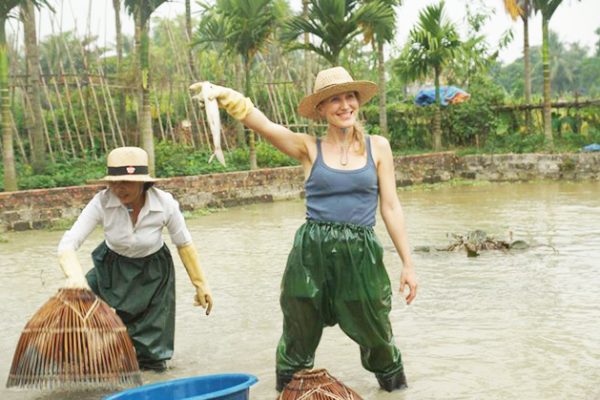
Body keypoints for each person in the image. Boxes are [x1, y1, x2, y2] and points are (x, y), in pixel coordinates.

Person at [191, 66, 417, 392]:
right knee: (298, 328)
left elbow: (391, 206)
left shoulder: (378, 147)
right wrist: (227, 97)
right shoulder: (307, 147)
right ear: (321, 109)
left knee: (377, 333)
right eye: (334, 99)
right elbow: (264, 126)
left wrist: (408, 264)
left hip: (361, 253)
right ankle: (286, 393)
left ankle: (397, 391)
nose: (344, 105)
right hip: (312, 252)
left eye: (349, 97)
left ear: (358, 102)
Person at [57, 146, 213, 372]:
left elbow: (184, 244)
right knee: (71, 308)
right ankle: (80, 364)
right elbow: (68, 243)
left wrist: (201, 284)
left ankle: (148, 379)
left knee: (149, 351)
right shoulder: (101, 202)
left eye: (127, 182)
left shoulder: (165, 204)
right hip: (111, 267)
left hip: (153, 273)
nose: (119, 189)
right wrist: (75, 278)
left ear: (144, 183)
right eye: (114, 182)